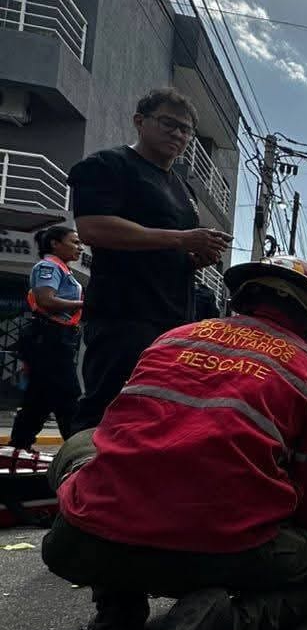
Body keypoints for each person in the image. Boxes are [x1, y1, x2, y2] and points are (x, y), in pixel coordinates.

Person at [41, 255, 307, 630]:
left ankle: (117, 612)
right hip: (214, 553)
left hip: (76, 544)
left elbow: (121, 435)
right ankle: (224, 625)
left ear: (240, 299)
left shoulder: (171, 339)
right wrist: (296, 541)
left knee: (85, 444)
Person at [68, 88, 231, 432]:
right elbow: (92, 227)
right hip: (123, 317)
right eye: (168, 123)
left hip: (172, 320)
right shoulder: (109, 165)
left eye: (185, 129)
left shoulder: (183, 190)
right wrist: (181, 239)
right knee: (108, 410)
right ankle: (81, 481)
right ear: (140, 122)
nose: (178, 134)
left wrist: (196, 256)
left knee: (158, 418)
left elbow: (174, 252)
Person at [10, 224, 84, 450]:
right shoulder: (48, 266)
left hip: (55, 338)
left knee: (40, 398)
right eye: (74, 242)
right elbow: (46, 300)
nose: (80, 248)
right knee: (68, 394)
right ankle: (78, 451)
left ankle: (19, 446)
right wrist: (85, 305)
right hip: (48, 338)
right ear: (55, 243)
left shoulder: (62, 269)